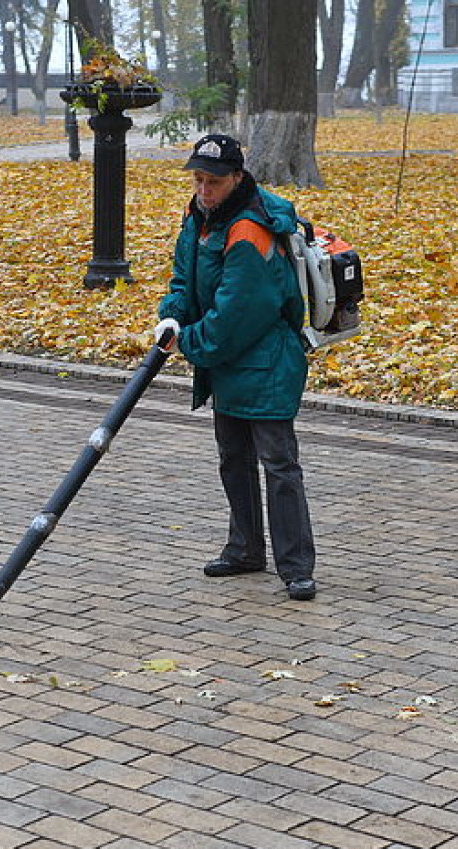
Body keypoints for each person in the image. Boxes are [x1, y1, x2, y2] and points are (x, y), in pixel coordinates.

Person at [154, 134, 318, 602]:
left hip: (265, 359)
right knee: (234, 459)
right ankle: (245, 548)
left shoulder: (250, 229)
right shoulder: (200, 215)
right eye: (199, 179)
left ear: (237, 178)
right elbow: (183, 275)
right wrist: (173, 311)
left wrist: (191, 342)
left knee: (278, 464)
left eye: (214, 181)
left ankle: (296, 568)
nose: (204, 189)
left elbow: (240, 311)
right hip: (228, 361)